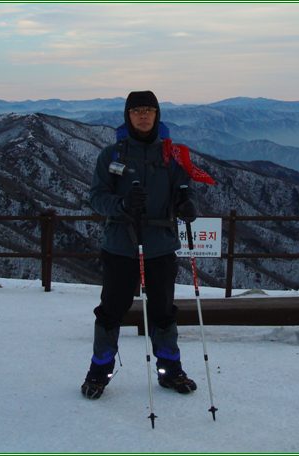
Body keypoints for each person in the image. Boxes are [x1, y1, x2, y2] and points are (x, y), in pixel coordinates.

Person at [82, 90, 200, 399]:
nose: (143, 116)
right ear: (128, 116)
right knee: (112, 310)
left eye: (149, 110)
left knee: (162, 311)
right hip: (121, 246)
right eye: (137, 111)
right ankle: (99, 372)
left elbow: (182, 191)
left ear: (157, 115)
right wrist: (122, 204)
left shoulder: (173, 156)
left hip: (160, 247)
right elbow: (96, 197)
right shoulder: (111, 155)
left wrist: (186, 204)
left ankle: (170, 371)